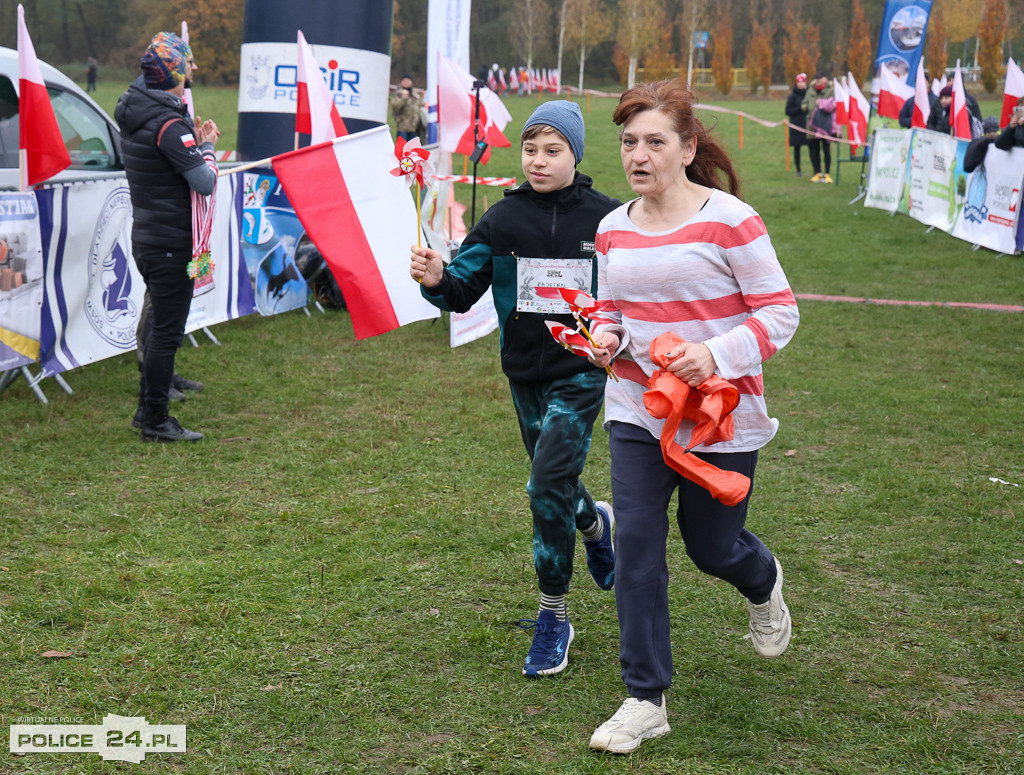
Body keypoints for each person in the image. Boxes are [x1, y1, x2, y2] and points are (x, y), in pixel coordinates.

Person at [585, 79, 799, 754]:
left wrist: (715, 353)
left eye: (654, 141)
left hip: (718, 417)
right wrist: (604, 335)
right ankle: (644, 696)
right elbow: (610, 308)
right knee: (639, 544)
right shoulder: (612, 227)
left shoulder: (731, 220)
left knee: (712, 547)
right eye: (628, 142)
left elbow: (779, 312)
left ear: (687, 148)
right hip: (637, 411)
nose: (638, 155)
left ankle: (762, 580)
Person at [409, 101, 619, 678]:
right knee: (554, 483)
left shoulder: (608, 221)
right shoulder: (502, 221)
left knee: (545, 481)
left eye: (553, 150)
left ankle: (555, 615)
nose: (539, 161)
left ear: (575, 154)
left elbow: (632, 295)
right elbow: (459, 290)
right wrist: (435, 279)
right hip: (524, 374)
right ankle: (596, 523)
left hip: (582, 373)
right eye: (530, 149)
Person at [114, 32, 219, 442]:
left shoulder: (140, 111)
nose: (193, 68)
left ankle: (147, 411)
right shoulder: (169, 125)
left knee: (159, 323)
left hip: (150, 236)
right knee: (166, 333)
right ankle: (156, 420)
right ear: (172, 71)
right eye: (187, 63)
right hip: (172, 243)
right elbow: (204, 181)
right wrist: (207, 147)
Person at [802, 71, 836, 183]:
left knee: (826, 150)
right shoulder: (810, 91)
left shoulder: (831, 91)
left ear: (825, 79)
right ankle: (816, 172)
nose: (818, 80)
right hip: (811, 126)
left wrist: (820, 103)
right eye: (816, 78)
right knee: (814, 150)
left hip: (825, 125)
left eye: (820, 78)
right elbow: (804, 104)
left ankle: (827, 174)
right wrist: (806, 107)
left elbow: (833, 105)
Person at [784, 73, 808, 177]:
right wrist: (800, 108)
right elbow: (788, 111)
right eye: (799, 82)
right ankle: (798, 169)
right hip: (796, 126)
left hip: (807, 126)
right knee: (797, 148)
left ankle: (816, 171)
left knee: (812, 148)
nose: (801, 84)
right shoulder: (792, 97)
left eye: (803, 82)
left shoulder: (809, 94)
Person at [389, 74, 421, 142]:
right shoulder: (398, 94)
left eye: (408, 80)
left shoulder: (415, 95)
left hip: (414, 127)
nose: (406, 82)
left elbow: (418, 108)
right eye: (404, 80)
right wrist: (403, 98)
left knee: (414, 150)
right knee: (402, 148)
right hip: (402, 127)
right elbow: (396, 108)